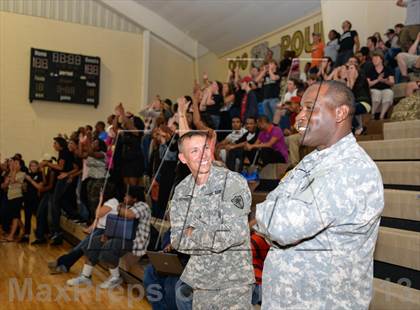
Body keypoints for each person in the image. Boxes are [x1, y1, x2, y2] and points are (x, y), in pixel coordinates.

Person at [256, 81, 384, 309]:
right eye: (300, 109)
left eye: (309, 109)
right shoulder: (314, 159)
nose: (299, 118)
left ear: (340, 113)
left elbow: (282, 227)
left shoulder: (351, 169)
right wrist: (270, 213)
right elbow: (273, 203)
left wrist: (267, 215)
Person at [170, 131, 254, 309]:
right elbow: (177, 240)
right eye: (194, 151)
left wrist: (193, 232)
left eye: (206, 148)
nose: (203, 155)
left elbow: (235, 233)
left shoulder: (232, 182)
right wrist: (212, 234)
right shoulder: (182, 190)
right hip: (201, 282)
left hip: (233, 282)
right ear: (183, 158)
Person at [67, 185, 151, 289]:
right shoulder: (127, 206)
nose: (124, 197)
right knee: (93, 242)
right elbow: (118, 225)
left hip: (135, 242)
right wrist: (107, 235)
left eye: (127, 196)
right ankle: (85, 275)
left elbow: (129, 215)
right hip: (124, 238)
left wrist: (119, 207)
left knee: (109, 246)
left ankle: (115, 277)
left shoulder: (143, 206)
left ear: (135, 198)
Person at [48, 185, 117, 274]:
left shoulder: (112, 202)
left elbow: (98, 214)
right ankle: (62, 263)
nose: (99, 193)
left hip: (103, 231)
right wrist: (92, 227)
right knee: (79, 248)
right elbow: (100, 219)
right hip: (99, 229)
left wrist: (100, 201)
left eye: (101, 191)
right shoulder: (109, 202)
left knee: (81, 249)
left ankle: (63, 263)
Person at [366, 52, 395, 119]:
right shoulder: (370, 70)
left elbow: (392, 82)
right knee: (377, 93)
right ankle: (372, 114)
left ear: (381, 59)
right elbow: (368, 84)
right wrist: (378, 80)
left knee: (389, 93)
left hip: (385, 89)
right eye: (373, 59)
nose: (374, 60)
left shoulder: (388, 69)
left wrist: (385, 81)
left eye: (376, 58)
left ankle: (382, 116)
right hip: (374, 89)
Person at [21, 160, 42, 243]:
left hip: (36, 199)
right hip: (27, 199)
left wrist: (30, 180)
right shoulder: (28, 175)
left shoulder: (40, 175)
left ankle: (40, 235)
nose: (33, 167)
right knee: (27, 217)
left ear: (37, 167)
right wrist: (23, 186)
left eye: (34, 165)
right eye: (31, 166)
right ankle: (26, 235)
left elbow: (39, 187)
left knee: (38, 217)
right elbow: (25, 188)